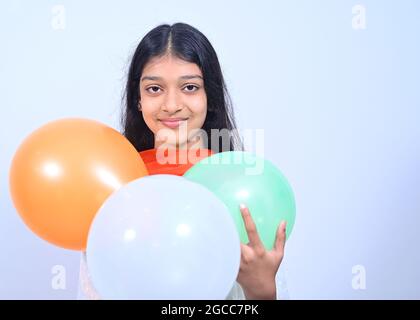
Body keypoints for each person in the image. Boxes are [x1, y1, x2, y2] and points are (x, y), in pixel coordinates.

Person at [78, 22, 289, 300]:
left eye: (189, 87)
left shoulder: (239, 189)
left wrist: (261, 289)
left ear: (209, 97)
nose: (172, 104)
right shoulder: (117, 188)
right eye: (154, 89)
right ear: (138, 99)